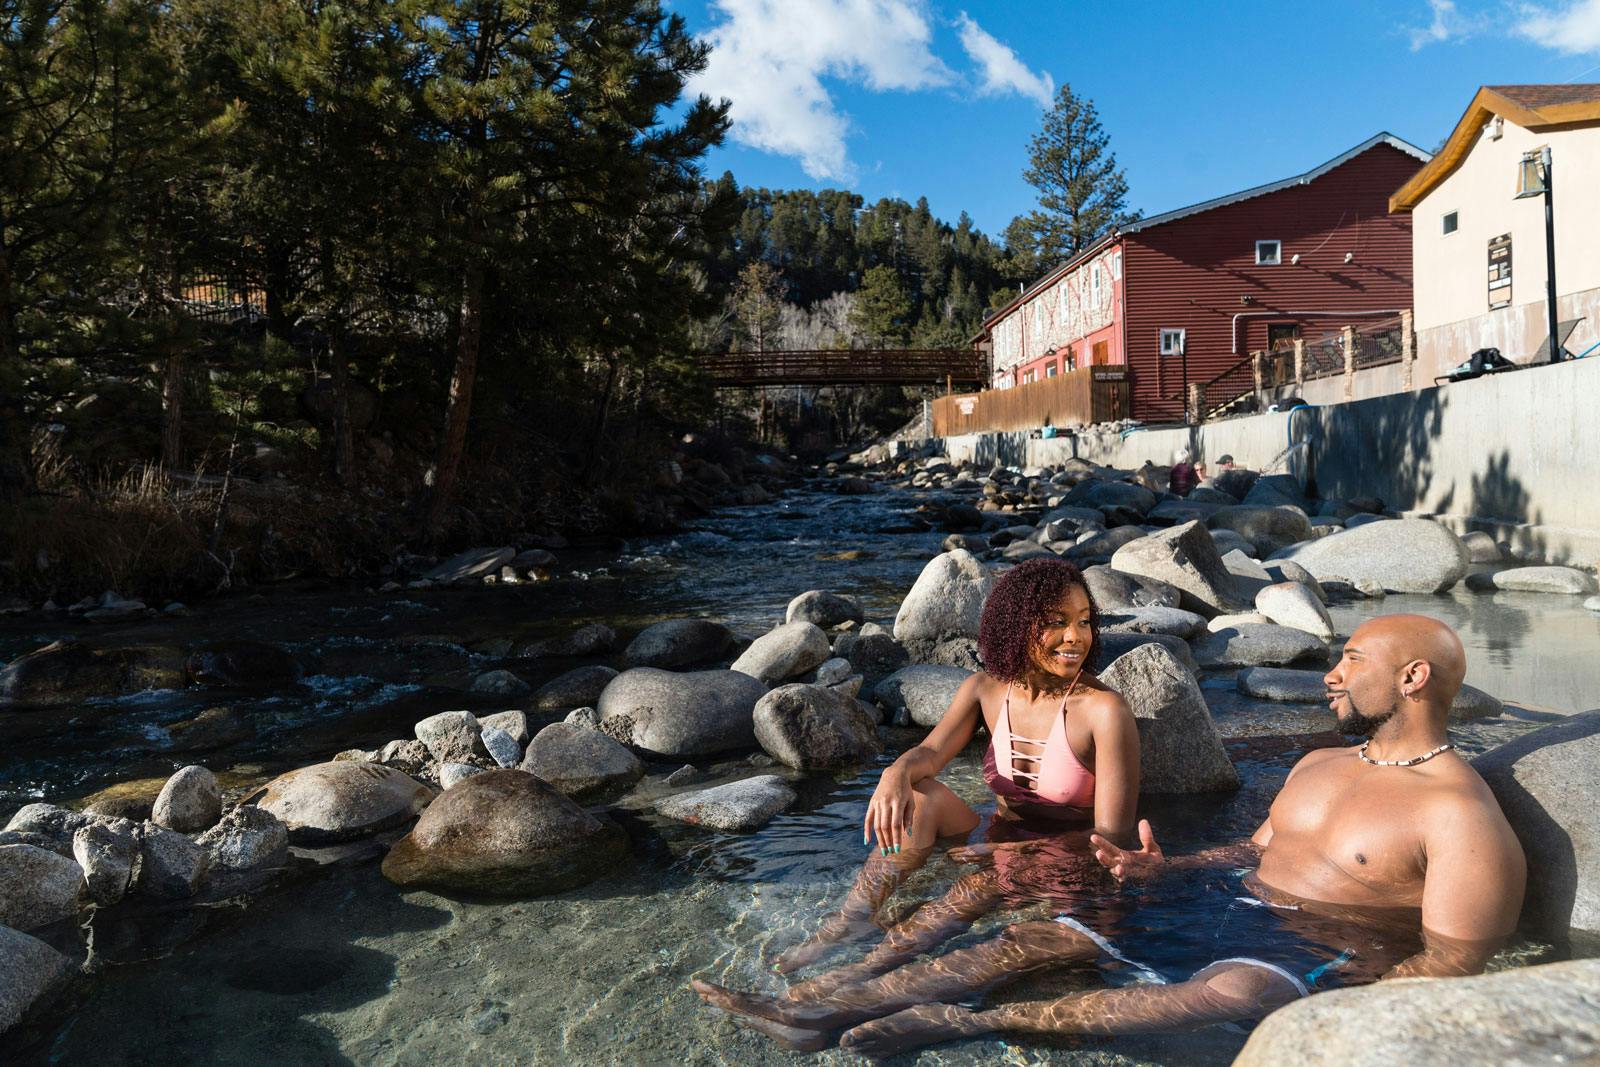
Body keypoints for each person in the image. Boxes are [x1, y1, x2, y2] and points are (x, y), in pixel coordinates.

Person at [696, 615, 1527, 1058]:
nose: (1332, 673)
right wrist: (1166, 865)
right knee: (1039, 930)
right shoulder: (1318, 763)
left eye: (1352, 659)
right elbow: (1255, 848)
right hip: (1221, 902)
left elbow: (1452, 962)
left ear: (1413, 677)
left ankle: (969, 1024)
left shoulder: (1460, 814)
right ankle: (819, 1006)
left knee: (1238, 994)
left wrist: (1342, 1009)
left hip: (1301, 954)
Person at [765, 557, 1140, 976]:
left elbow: (1113, 840)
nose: (1075, 637)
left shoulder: (1104, 711)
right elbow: (929, 754)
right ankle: (847, 924)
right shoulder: (986, 690)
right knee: (919, 795)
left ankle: (860, 974)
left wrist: (1010, 854)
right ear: (1018, 624)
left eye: (1085, 622)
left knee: (978, 884)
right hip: (997, 842)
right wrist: (895, 774)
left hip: (1066, 860)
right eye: (1057, 622)